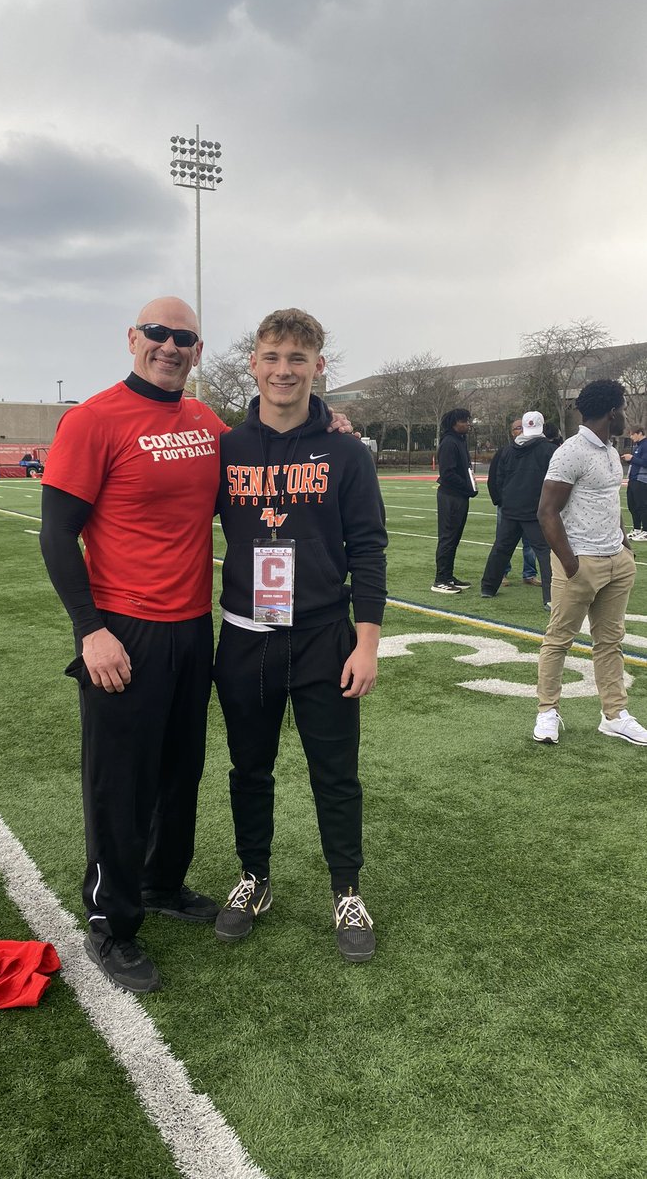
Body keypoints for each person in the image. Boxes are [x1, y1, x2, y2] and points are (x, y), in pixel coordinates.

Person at [39, 296, 227, 993]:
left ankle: (161, 883)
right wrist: (90, 631)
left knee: (181, 770)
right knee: (120, 784)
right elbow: (57, 534)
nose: (170, 346)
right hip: (123, 630)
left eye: (184, 337)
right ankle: (110, 922)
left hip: (192, 627)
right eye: (158, 333)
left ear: (198, 351)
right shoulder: (93, 419)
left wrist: (322, 421)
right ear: (132, 338)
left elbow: (257, 464)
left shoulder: (207, 423)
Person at [212, 309, 387, 963]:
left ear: (318, 367)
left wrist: (365, 642)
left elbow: (368, 548)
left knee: (335, 775)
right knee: (249, 769)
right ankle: (255, 879)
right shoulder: (225, 447)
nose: (284, 370)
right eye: (272, 356)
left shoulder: (343, 451)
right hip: (244, 636)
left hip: (321, 635)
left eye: (297, 358)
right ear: (253, 364)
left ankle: (346, 889)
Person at [533, 379, 647, 745]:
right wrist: (570, 564)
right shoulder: (570, 451)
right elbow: (547, 512)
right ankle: (547, 711)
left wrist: (624, 541)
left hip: (616, 560)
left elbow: (606, 502)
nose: (626, 416)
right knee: (558, 641)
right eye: (623, 409)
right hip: (581, 563)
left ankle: (614, 714)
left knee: (610, 642)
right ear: (612, 412)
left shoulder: (612, 451)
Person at [480, 411, 556, 609]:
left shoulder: (507, 451)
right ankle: (551, 597)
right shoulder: (549, 450)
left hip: (511, 509)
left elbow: (497, 478)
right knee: (545, 552)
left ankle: (488, 587)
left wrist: (502, 501)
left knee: (501, 548)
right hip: (536, 510)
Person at [487, 417, 539, 588]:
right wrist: (499, 500)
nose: (521, 431)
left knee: (530, 543)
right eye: (517, 428)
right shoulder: (504, 451)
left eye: (523, 428)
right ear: (512, 432)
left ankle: (529, 573)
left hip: (529, 505)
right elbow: (494, 478)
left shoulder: (536, 451)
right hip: (508, 505)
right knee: (504, 541)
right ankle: (501, 573)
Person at [431, 408, 477, 594]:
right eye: (463, 421)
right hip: (451, 496)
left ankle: (448, 576)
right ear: (453, 423)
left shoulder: (459, 441)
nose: (467, 424)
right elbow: (447, 473)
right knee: (448, 537)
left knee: (454, 537)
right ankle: (440, 579)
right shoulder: (450, 442)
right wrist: (467, 486)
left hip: (459, 495)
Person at [621, 426, 647, 540]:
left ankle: (645, 530)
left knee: (642, 505)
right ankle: (636, 529)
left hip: (641, 479)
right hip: (632, 479)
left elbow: (645, 462)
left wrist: (631, 458)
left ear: (640, 433)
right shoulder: (638, 446)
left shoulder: (645, 445)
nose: (631, 437)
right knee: (632, 505)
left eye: (632, 434)